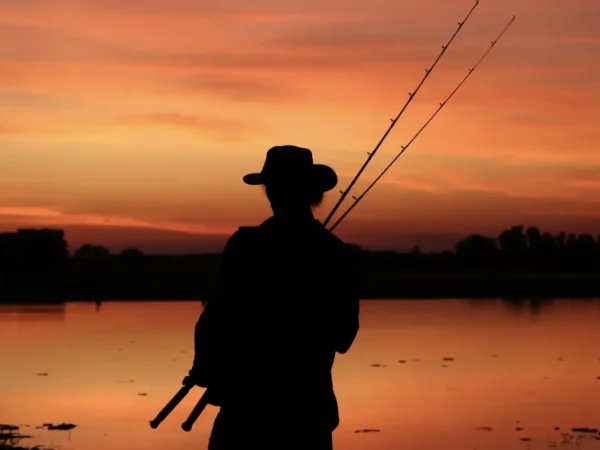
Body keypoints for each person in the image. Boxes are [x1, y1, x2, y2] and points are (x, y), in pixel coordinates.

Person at [189, 145, 361, 450]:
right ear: (314, 193)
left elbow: (213, 319)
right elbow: (344, 337)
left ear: (270, 191)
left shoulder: (245, 246)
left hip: (245, 411)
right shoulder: (335, 253)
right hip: (308, 414)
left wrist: (207, 366)